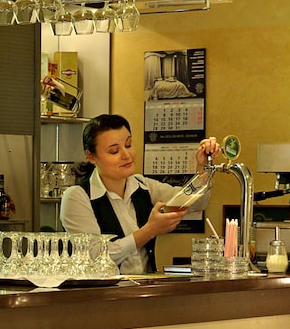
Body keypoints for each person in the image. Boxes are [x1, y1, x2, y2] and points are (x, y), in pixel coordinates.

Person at [60, 113, 219, 274]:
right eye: (114, 151)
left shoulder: (142, 185)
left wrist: (204, 168)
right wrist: (150, 230)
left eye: (128, 145)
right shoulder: (77, 197)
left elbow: (196, 203)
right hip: (105, 289)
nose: (126, 155)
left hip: (144, 286)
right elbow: (93, 258)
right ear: (91, 157)